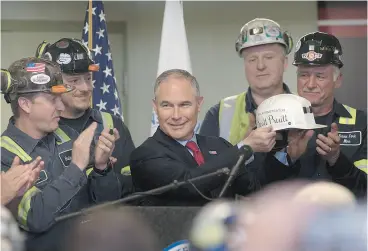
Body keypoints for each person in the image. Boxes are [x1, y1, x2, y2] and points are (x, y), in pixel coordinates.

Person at [130, 69, 294, 206]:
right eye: (166, 105)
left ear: (199, 104)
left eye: (184, 105)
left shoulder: (219, 145)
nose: (176, 115)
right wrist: (245, 147)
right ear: (155, 107)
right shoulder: (145, 155)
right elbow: (190, 183)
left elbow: (255, 188)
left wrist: (285, 153)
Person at [0, 57, 122, 234]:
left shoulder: (68, 136)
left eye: (60, 98)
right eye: (52, 99)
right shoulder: (5, 155)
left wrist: (101, 168)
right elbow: (35, 218)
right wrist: (76, 167)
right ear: (25, 104)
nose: (61, 106)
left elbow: (107, 204)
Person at [35, 38, 135, 196]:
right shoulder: (42, 131)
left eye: (88, 78)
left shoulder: (111, 124)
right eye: (74, 81)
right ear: (52, 84)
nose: (86, 88)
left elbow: (132, 187)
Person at [285, 31, 367, 197]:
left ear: (338, 80)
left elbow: (365, 190)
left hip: (344, 221)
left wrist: (336, 159)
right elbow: (259, 187)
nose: (310, 84)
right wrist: (288, 160)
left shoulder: (362, 123)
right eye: (304, 75)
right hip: (292, 221)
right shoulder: (281, 120)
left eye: (320, 76)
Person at [199, 18, 294, 144]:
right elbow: (207, 164)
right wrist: (243, 149)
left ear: (285, 63)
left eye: (269, 57)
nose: (260, 66)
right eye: (252, 59)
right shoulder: (219, 114)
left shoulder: (306, 109)